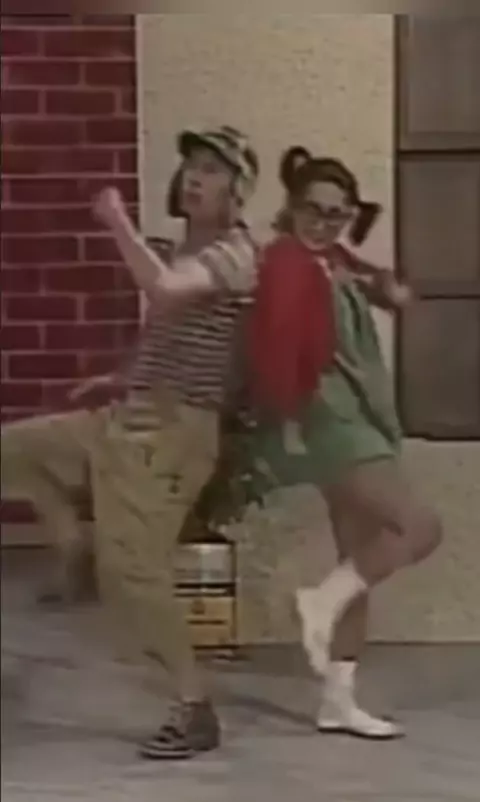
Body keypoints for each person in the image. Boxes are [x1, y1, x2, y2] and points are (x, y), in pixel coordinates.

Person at [1, 125, 259, 760]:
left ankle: (194, 708)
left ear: (238, 191)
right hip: (128, 416)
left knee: (135, 573)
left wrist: (117, 221)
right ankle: (71, 539)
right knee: (13, 449)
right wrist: (121, 376)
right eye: (192, 164)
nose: (195, 176)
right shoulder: (177, 249)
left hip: (173, 436)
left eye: (213, 169)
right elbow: (174, 336)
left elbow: (166, 293)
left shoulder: (236, 254)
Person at [248, 147, 442, 739]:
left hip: (354, 418)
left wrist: (387, 291)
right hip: (331, 420)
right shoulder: (287, 262)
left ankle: (337, 699)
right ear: (292, 206)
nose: (324, 222)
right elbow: (277, 344)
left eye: (337, 213)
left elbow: (362, 281)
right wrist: (287, 417)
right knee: (419, 528)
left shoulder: (329, 258)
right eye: (313, 209)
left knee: (359, 556)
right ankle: (318, 601)